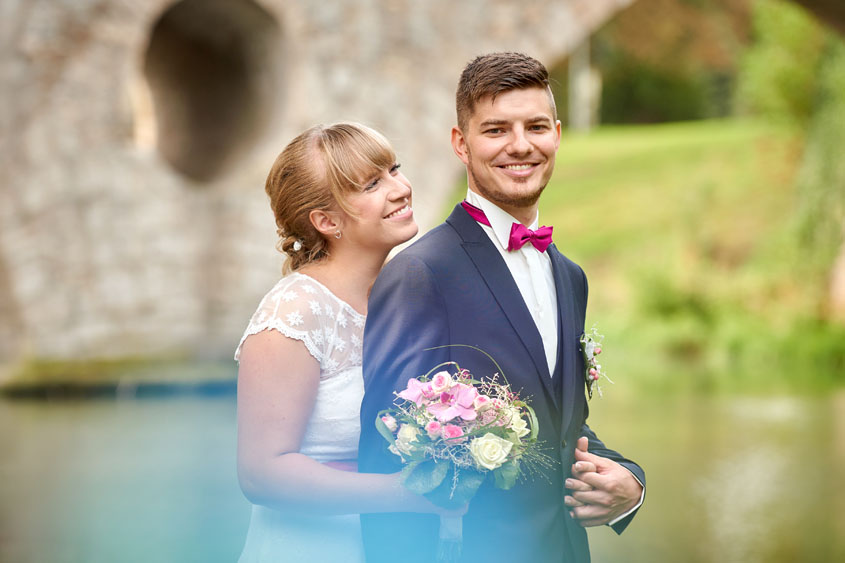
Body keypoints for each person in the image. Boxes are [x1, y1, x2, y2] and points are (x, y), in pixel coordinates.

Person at [359, 52, 646, 562]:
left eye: (536, 126)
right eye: (496, 130)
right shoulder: (421, 274)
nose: (521, 146)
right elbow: (386, 458)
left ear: (557, 133)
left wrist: (630, 486)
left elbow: (557, 427)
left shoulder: (569, 276)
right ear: (460, 144)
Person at [234, 122, 455, 562]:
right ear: (326, 221)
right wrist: (412, 494)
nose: (400, 189)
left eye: (394, 169)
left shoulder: (409, 297)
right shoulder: (294, 312)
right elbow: (262, 474)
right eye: (372, 184)